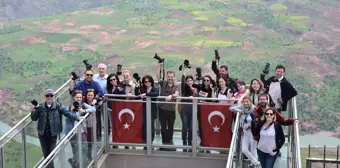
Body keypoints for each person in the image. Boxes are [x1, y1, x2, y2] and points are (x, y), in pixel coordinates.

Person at [30, 89, 80, 168]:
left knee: (50, 155)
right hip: (42, 134)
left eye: (51, 96)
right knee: (46, 154)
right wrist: (34, 109)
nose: (49, 97)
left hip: (53, 134)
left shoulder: (58, 106)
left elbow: (67, 114)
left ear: (54, 97)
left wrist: (78, 118)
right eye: (47, 96)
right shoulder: (40, 107)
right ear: (45, 97)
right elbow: (34, 118)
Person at [65, 90, 96, 168]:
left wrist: (84, 110)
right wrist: (71, 110)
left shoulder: (83, 105)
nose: (79, 99)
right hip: (72, 131)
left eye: (80, 97)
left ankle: (76, 161)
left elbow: (93, 109)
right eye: (77, 97)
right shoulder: (69, 107)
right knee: (75, 148)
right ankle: (77, 163)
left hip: (81, 130)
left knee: (84, 146)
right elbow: (66, 115)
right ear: (73, 98)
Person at [230, 96, 260, 167]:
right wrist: (238, 110)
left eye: (247, 101)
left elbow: (257, 120)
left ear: (250, 102)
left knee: (253, 149)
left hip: (253, 133)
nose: (246, 103)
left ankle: (253, 164)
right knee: (244, 149)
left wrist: (252, 126)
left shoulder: (255, 109)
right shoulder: (241, 107)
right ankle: (255, 162)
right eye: (244, 102)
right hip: (245, 133)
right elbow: (231, 108)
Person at [156, 62, 180, 150]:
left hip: (171, 110)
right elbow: (158, 76)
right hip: (162, 109)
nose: (170, 78)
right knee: (163, 127)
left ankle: (170, 142)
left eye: (171, 76)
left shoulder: (176, 85)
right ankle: (164, 142)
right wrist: (158, 65)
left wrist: (171, 96)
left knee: (170, 127)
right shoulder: (163, 83)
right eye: (169, 76)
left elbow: (177, 94)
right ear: (167, 77)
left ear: (174, 77)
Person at [138, 75, 159, 148]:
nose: (147, 83)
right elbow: (138, 95)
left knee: (151, 125)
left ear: (151, 81)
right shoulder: (142, 89)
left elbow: (155, 94)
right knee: (143, 124)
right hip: (143, 109)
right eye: (145, 81)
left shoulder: (154, 88)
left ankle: (151, 141)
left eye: (149, 81)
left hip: (152, 110)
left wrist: (146, 94)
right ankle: (145, 141)